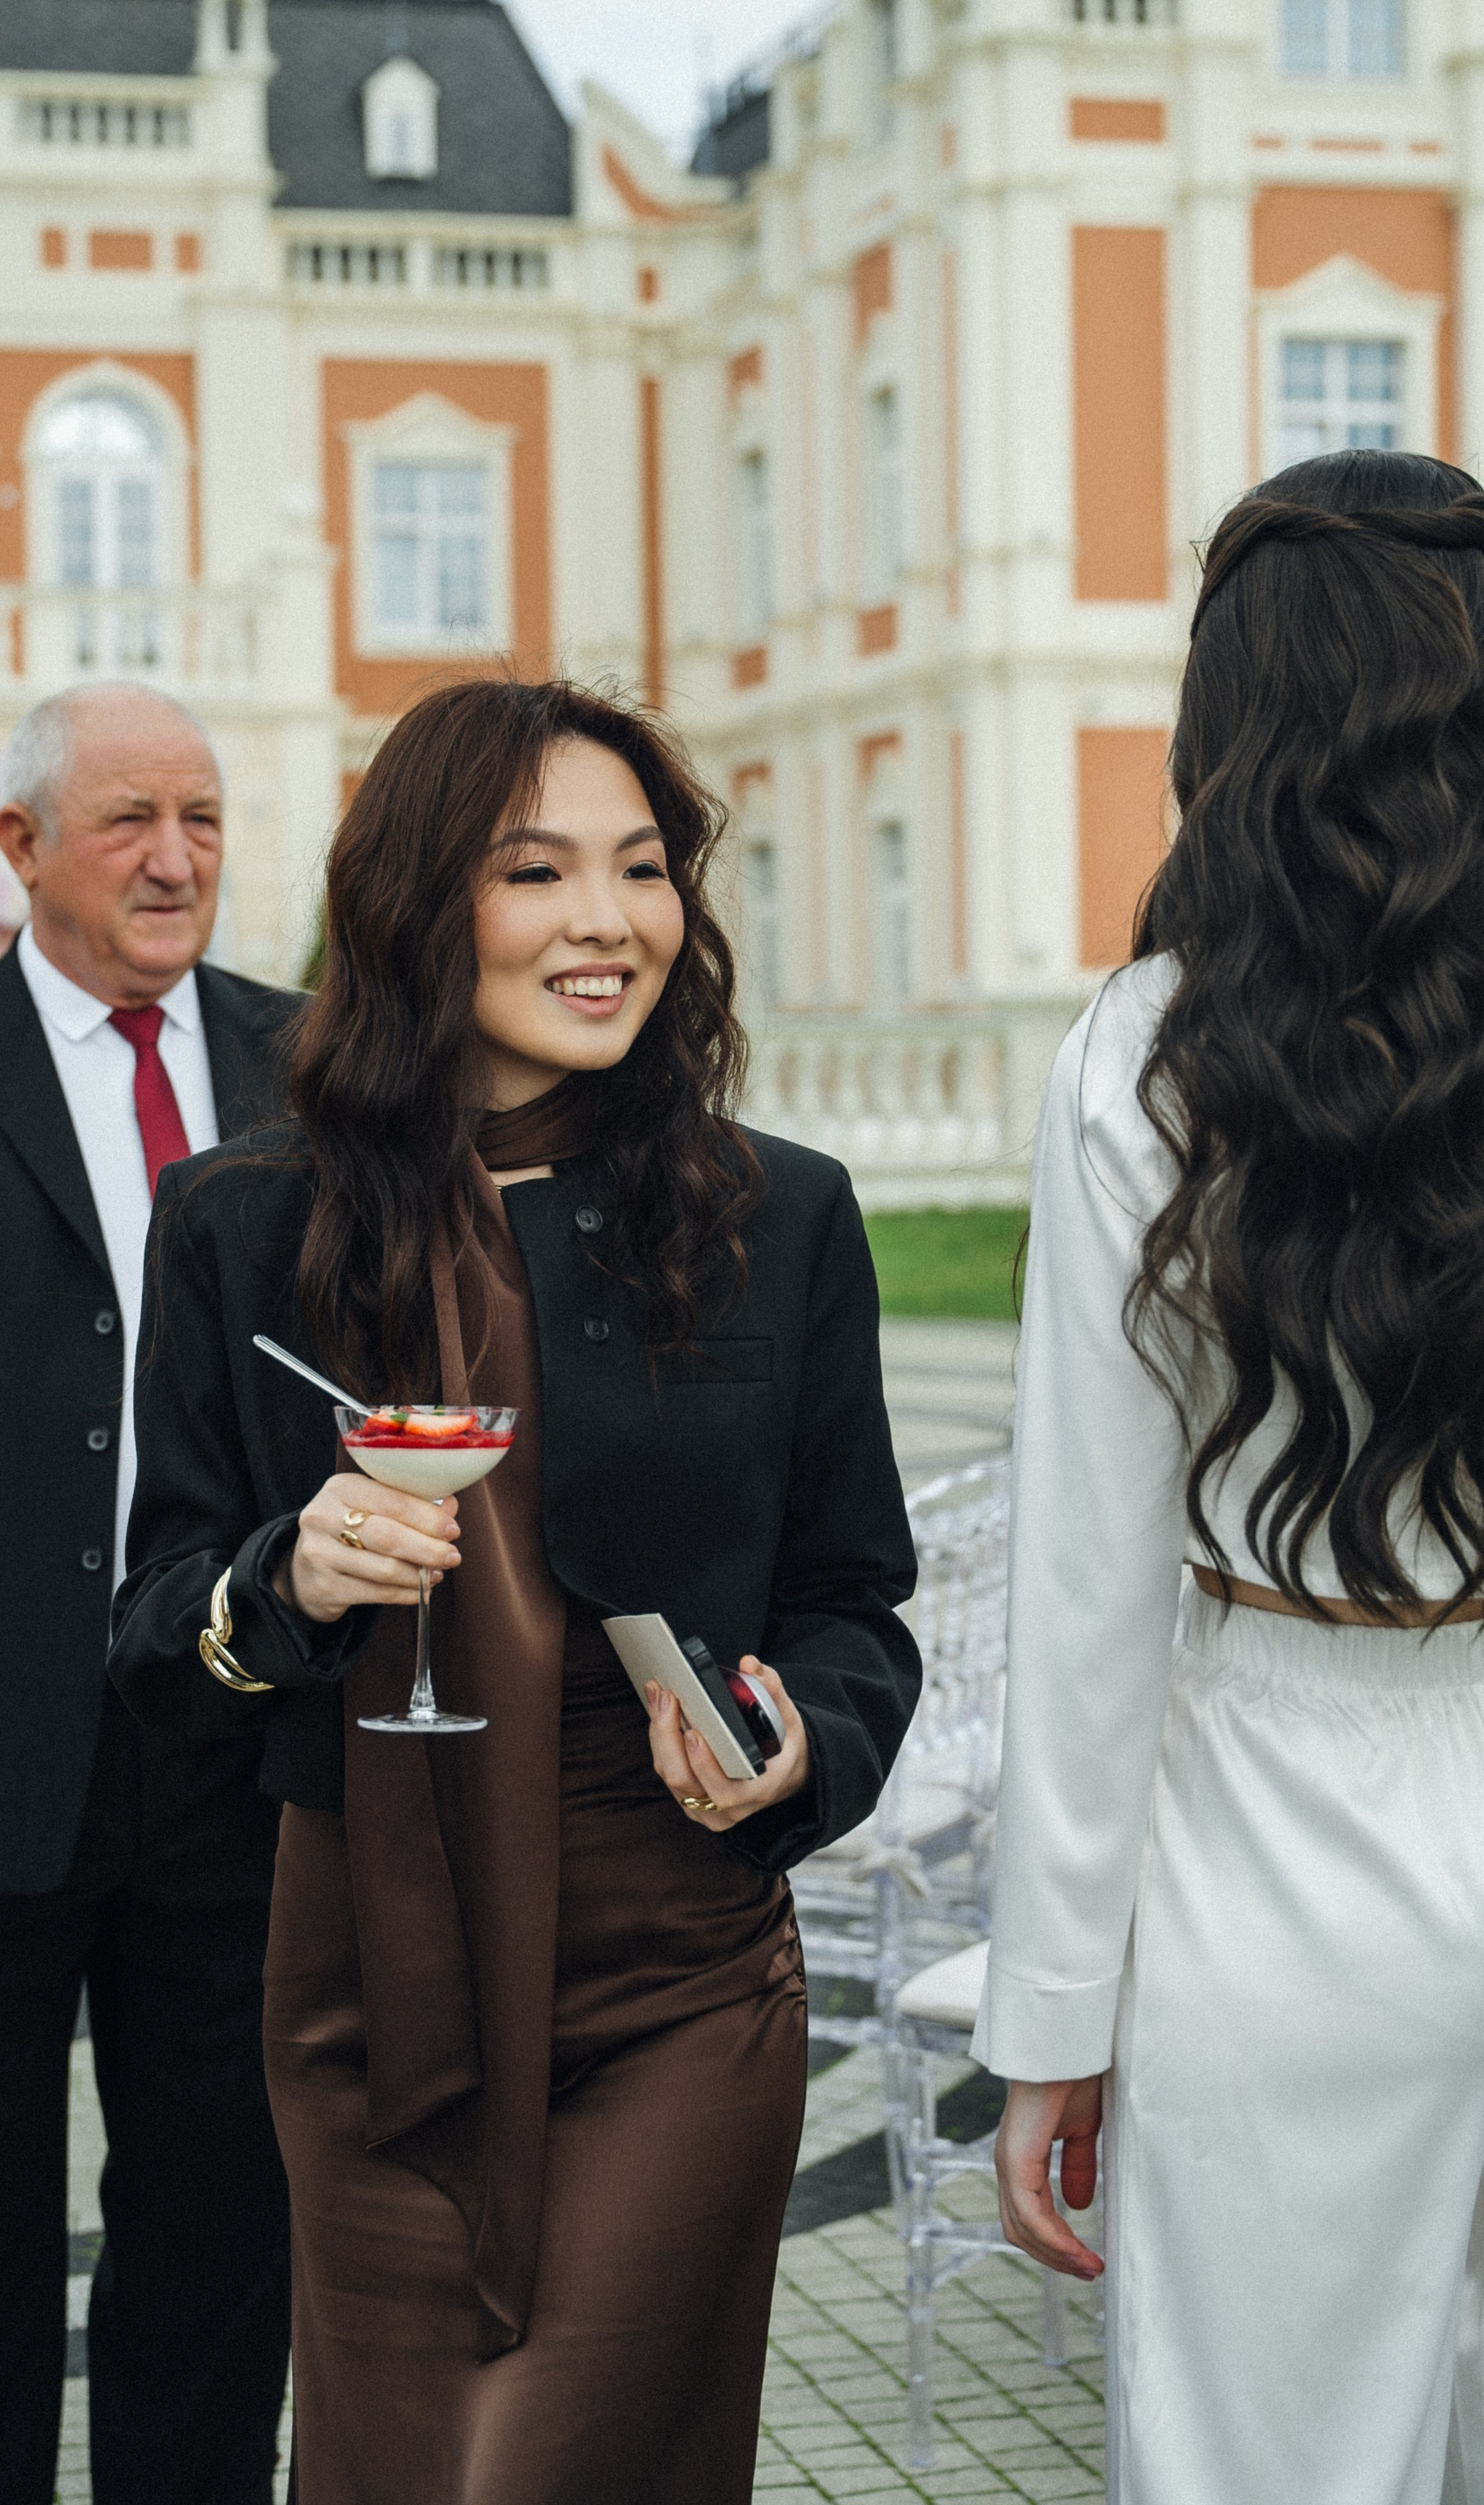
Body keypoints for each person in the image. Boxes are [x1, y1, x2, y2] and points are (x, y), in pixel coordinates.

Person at [976, 457, 1484, 2505]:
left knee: (1274, 2456)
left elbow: (1092, 1574)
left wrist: (1049, 2007)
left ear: (1231, 725)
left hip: (1292, 1801)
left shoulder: (1150, 1051)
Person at [108, 675, 920, 2505]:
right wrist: (286, 1573)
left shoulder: (771, 1212)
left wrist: (802, 1742)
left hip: (675, 1957)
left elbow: (855, 1597)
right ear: (418, 901)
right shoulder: (246, 1221)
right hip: (364, 1970)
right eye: (535, 870)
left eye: (640, 870)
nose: (605, 920)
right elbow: (162, 1623)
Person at [0, 681, 299, 2505]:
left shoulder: (322, 1061)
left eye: (200, 816)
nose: (175, 856)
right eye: (129, 819)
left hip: (237, 1738)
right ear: (23, 845)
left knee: (218, 2223)